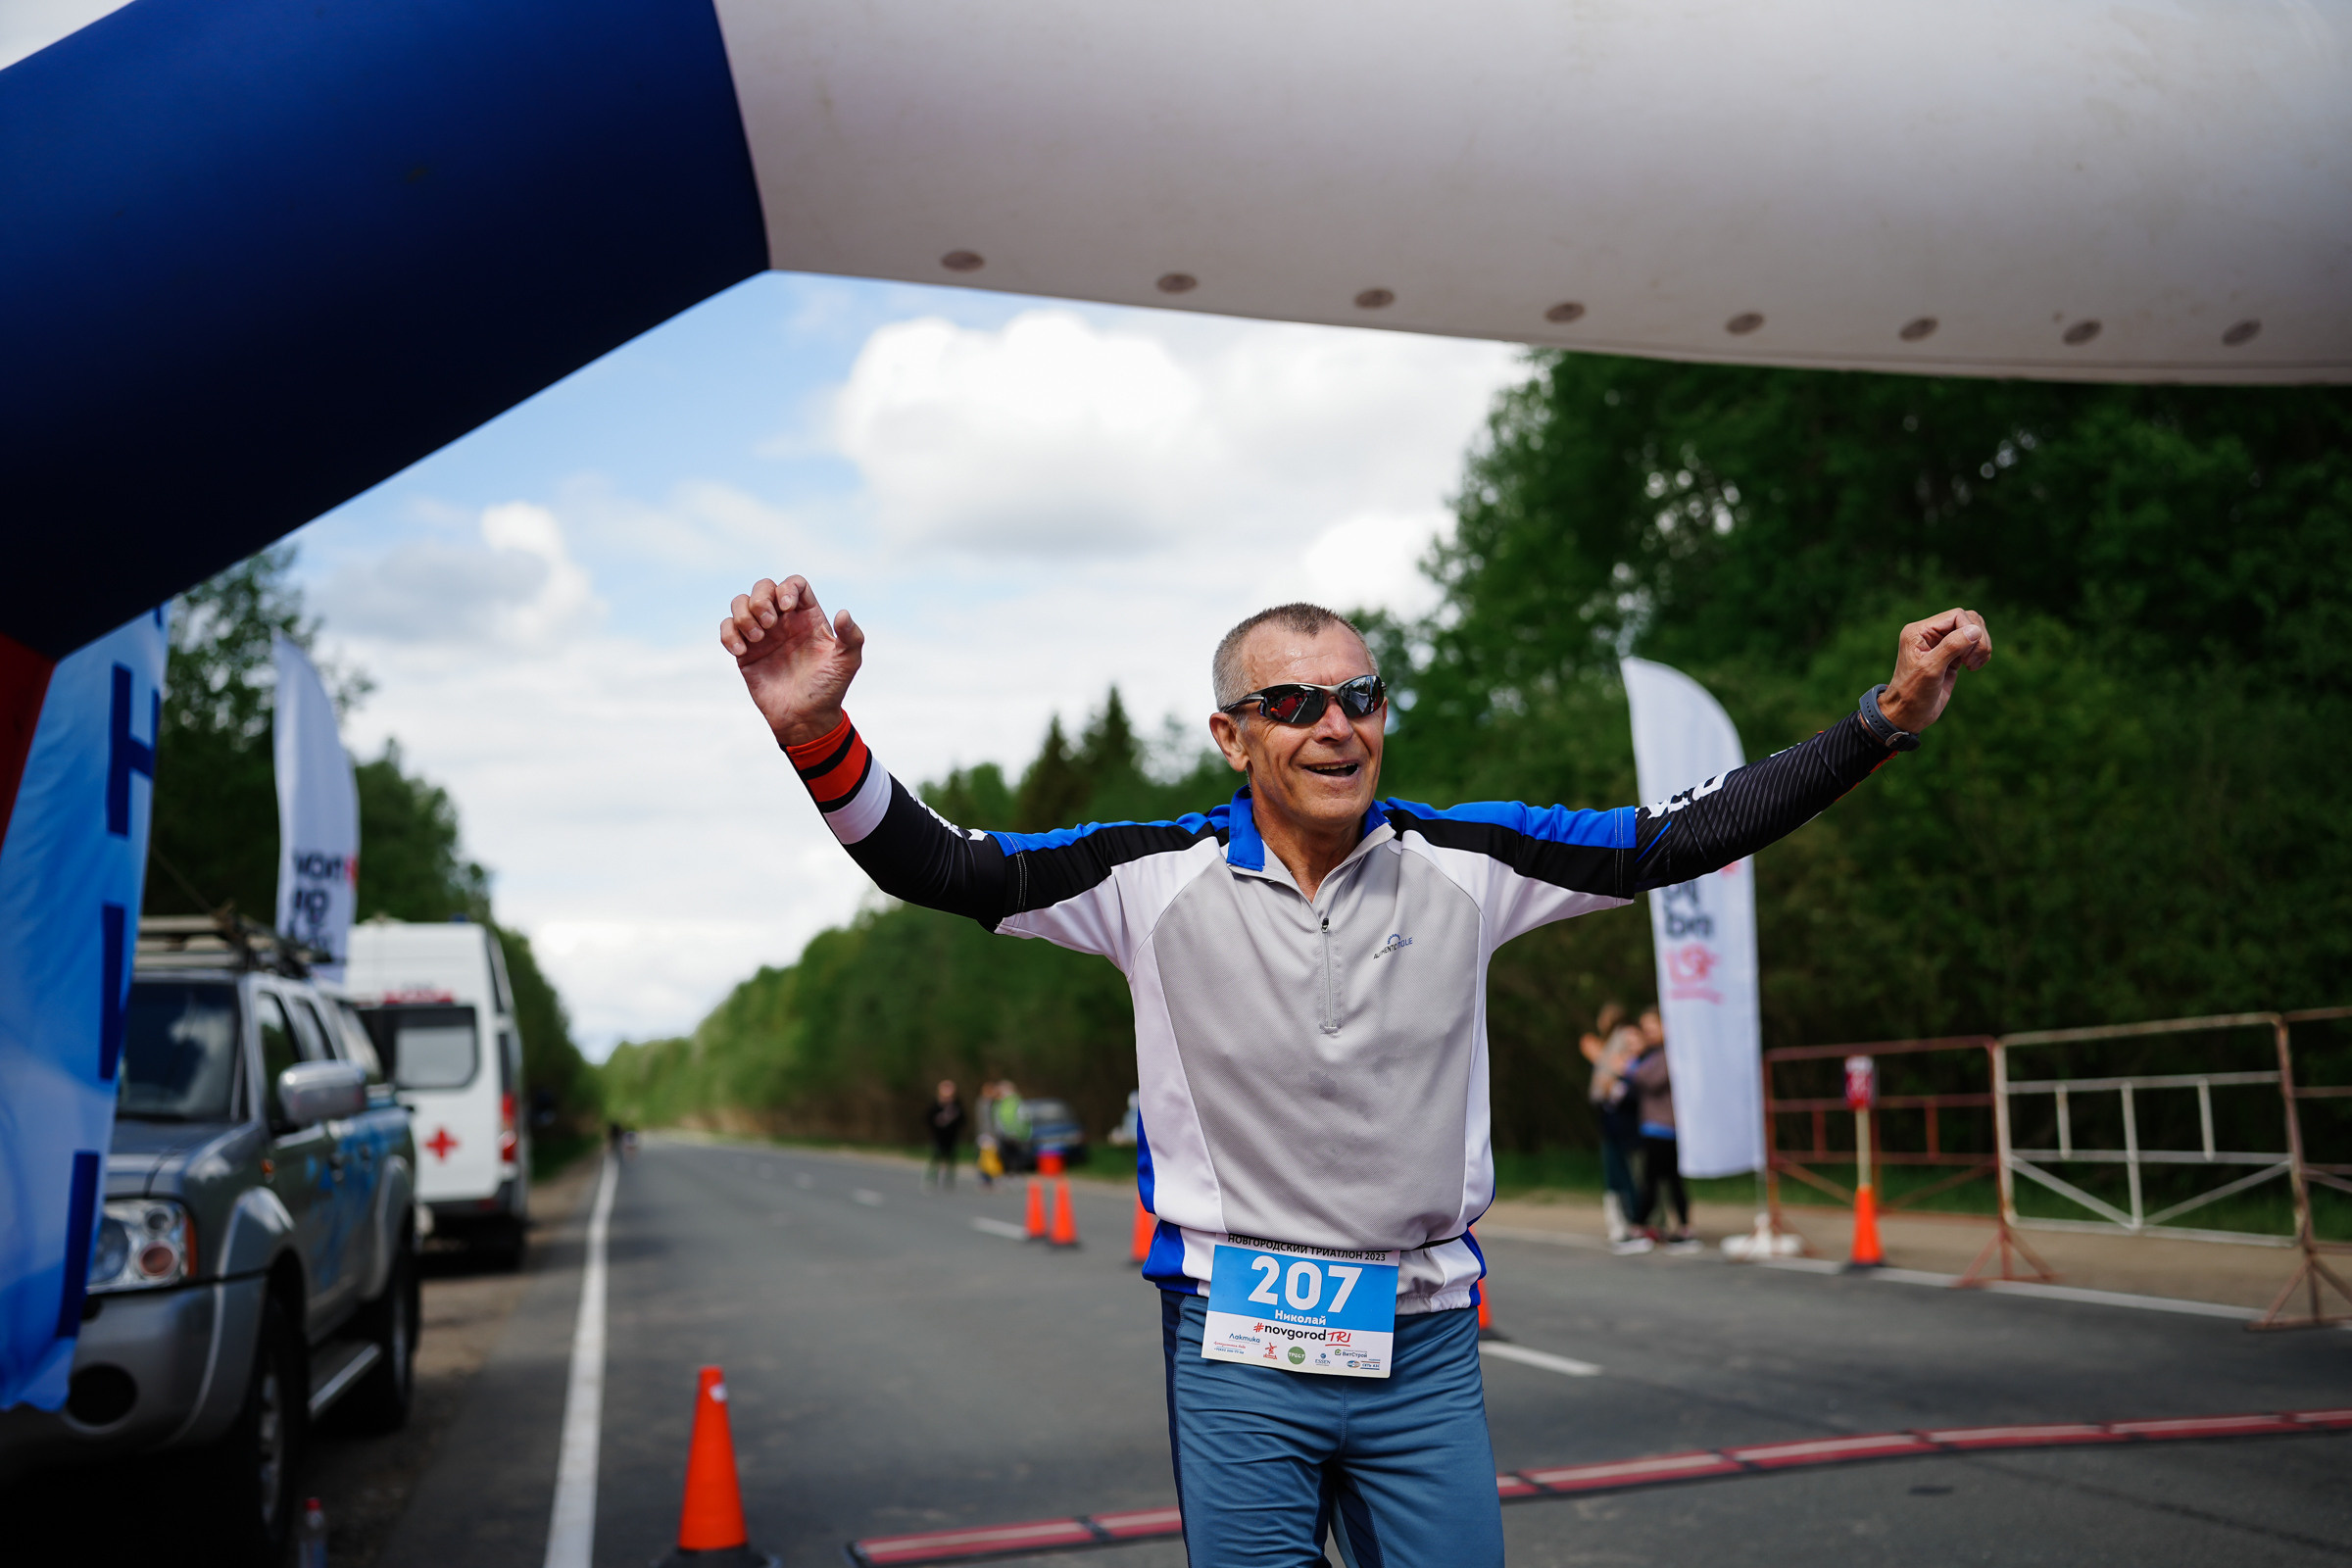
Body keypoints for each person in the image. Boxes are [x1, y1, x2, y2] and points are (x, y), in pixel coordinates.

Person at [721, 576, 1988, 1568]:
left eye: (1361, 698)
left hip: (1422, 1338)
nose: (1337, 724)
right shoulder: (1146, 877)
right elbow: (940, 865)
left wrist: (1882, 723)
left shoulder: (1469, 861)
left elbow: (1681, 834)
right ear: (1231, 735)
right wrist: (821, 739)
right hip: (1236, 1339)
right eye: (1296, 704)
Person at [1625, 1007, 1697, 1251]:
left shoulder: (1669, 1053)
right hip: (1653, 1126)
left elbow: (1652, 1081)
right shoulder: (1652, 1055)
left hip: (1664, 1127)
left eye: (1652, 1027)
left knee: (1656, 1180)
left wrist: (1626, 1067)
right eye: (1645, 1029)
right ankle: (1675, 1226)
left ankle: (1641, 1227)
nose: (1649, 1033)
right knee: (1663, 1180)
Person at [1579, 1004, 1641, 1244]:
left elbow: (1617, 1078)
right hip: (1610, 1118)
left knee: (1627, 1174)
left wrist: (1597, 1057)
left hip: (1625, 1118)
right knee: (1616, 1173)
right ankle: (1621, 1223)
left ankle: (1632, 1223)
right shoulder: (1611, 1041)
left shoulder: (1623, 1037)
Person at [925, 1079, 966, 1188]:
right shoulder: (936, 1105)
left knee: (951, 1158)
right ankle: (932, 1177)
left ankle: (949, 1179)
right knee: (936, 1156)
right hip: (938, 1136)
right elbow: (928, 1119)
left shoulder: (956, 1106)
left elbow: (963, 1120)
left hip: (952, 1136)